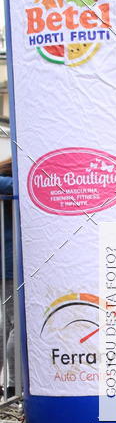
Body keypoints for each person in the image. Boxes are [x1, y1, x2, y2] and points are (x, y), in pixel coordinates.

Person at [0, 158, 15, 399]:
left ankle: (12, 386)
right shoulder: (11, 184)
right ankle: (14, 386)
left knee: (7, 326)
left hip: (9, 268)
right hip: (11, 269)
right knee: (15, 326)